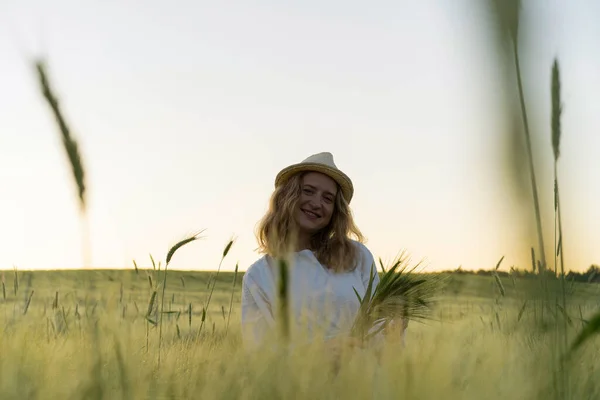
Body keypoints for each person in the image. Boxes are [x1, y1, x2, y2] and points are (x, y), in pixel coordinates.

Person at [240, 152, 407, 353]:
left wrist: (394, 330)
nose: (317, 203)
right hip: (302, 385)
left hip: (363, 380)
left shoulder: (356, 256)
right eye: (308, 191)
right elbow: (259, 355)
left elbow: (379, 329)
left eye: (328, 198)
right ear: (288, 195)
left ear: (335, 211)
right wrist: (318, 353)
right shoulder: (260, 276)